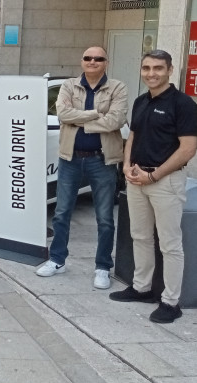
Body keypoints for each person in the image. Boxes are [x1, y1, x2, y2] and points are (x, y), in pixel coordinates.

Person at [110, 50, 197, 323]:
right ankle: (141, 287)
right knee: (141, 237)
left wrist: (154, 175)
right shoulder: (140, 101)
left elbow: (188, 149)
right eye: (146, 67)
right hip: (136, 179)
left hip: (165, 181)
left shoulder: (183, 104)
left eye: (158, 68)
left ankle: (171, 302)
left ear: (170, 70)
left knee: (170, 244)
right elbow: (133, 136)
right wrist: (126, 166)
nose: (151, 73)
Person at [35, 46, 128, 289]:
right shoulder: (68, 86)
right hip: (70, 158)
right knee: (62, 213)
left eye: (98, 58)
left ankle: (102, 267)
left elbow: (116, 120)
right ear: (82, 61)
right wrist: (97, 114)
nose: (92, 61)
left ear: (106, 62)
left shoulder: (117, 88)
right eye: (88, 58)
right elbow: (64, 114)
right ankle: (57, 260)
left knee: (105, 218)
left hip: (102, 159)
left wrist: (81, 121)